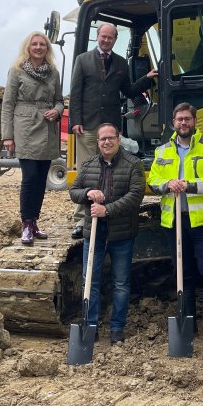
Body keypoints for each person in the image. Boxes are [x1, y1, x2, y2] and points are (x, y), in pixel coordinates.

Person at [148, 103, 203, 347]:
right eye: (179, 119)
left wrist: (188, 185)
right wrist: (168, 185)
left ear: (195, 121)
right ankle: (188, 326)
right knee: (182, 275)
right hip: (175, 222)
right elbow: (153, 180)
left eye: (187, 119)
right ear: (173, 123)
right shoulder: (163, 150)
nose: (183, 123)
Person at [68, 23, 158, 239]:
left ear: (115, 40)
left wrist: (148, 78)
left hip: (110, 126)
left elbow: (128, 90)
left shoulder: (120, 63)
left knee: (111, 172)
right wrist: (75, 120)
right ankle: (82, 220)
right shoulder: (82, 60)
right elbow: (75, 92)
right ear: (98, 37)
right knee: (86, 173)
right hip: (87, 126)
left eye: (110, 37)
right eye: (103, 36)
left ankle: (106, 213)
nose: (106, 40)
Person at [68, 123, 145, 344]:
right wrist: (87, 192)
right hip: (94, 233)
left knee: (120, 283)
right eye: (102, 139)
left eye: (111, 138)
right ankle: (90, 326)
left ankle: (117, 329)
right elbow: (74, 191)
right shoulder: (89, 164)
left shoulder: (134, 164)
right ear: (98, 142)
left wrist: (107, 210)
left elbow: (135, 196)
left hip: (121, 234)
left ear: (118, 139)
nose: (107, 142)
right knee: (89, 280)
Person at [1, 32, 65, 245]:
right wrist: (7, 136)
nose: (38, 47)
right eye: (34, 44)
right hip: (25, 128)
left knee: (40, 180)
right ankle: (26, 223)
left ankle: (34, 222)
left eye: (42, 44)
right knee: (29, 178)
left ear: (47, 48)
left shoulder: (53, 73)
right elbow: (8, 104)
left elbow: (59, 100)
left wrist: (57, 111)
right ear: (27, 47)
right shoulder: (16, 71)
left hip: (47, 129)